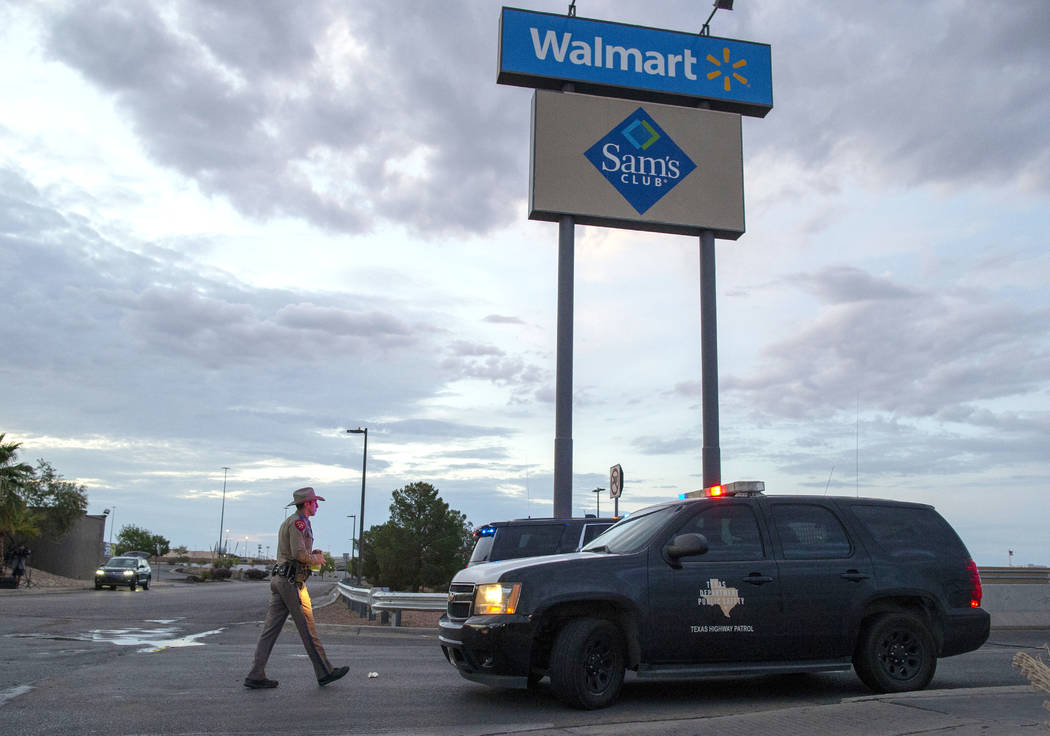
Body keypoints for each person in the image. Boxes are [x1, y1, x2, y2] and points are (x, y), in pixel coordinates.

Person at [244, 487, 349, 689]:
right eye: (315, 502)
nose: (317, 505)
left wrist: (312, 554)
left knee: (270, 630)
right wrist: (316, 559)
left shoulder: (294, 522)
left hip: (282, 580)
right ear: (307, 504)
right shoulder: (297, 523)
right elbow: (298, 554)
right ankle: (325, 672)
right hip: (291, 583)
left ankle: (256, 673)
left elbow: (296, 552)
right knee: (307, 627)